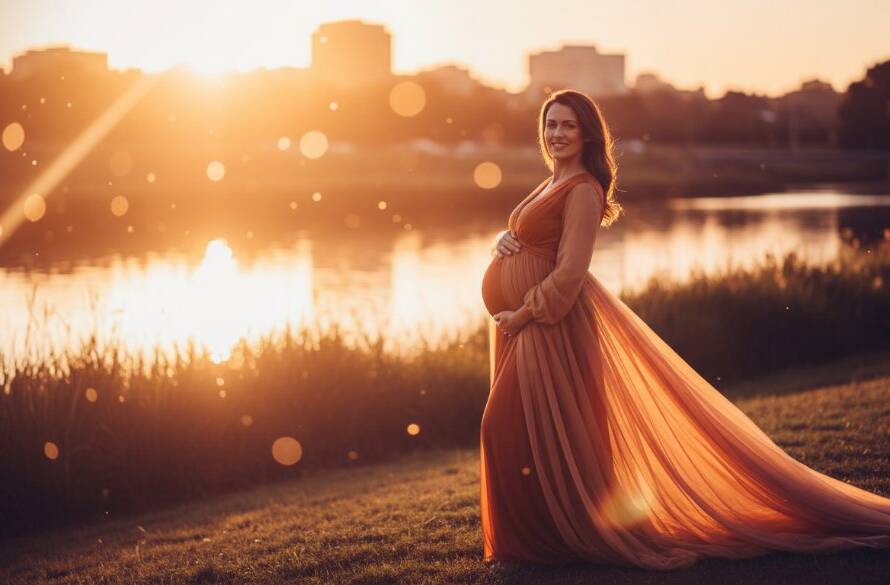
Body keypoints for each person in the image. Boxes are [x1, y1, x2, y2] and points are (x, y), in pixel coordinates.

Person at [478, 89, 890, 570]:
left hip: (550, 325)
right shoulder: (551, 182)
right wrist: (504, 239)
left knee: (502, 425)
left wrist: (521, 314)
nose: (557, 133)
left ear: (588, 133)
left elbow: (570, 271)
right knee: (530, 432)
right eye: (551, 124)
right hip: (524, 323)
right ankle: (539, 544)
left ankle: (550, 539)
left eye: (568, 125)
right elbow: (531, 240)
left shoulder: (585, 189)